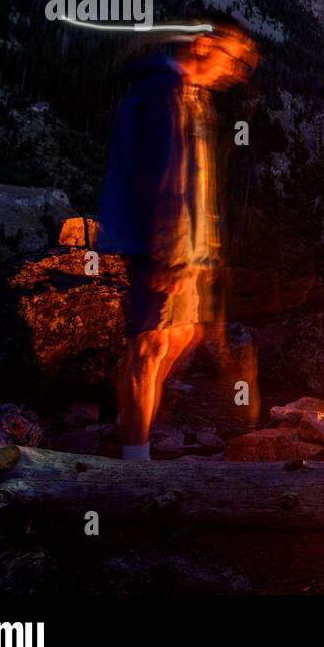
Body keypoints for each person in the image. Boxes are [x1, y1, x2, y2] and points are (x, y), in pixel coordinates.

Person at [98, 25, 258, 460]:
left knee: (184, 333)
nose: (234, 70)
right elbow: (164, 178)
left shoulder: (192, 95)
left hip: (187, 248)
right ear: (204, 46)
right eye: (231, 58)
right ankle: (134, 457)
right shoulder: (165, 89)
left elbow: (195, 181)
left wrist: (204, 250)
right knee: (149, 345)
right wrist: (168, 254)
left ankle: (131, 421)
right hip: (161, 246)